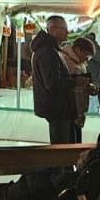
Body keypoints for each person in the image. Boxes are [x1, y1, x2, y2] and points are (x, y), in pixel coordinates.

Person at [31, 15, 78, 143]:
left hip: (58, 108)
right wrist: (75, 82)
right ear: (52, 29)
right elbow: (52, 83)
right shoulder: (47, 52)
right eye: (64, 29)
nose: (67, 32)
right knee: (62, 148)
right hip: (57, 109)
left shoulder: (50, 50)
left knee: (63, 144)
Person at [61, 37, 95, 140]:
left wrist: (89, 87)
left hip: (78, 110)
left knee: (76, 140)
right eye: (86, 55)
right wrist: (77, 82)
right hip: (67, 110)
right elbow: (61, 83)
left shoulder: (81, 64)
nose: (86, 59)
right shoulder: (64, 60)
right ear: (78, 49)